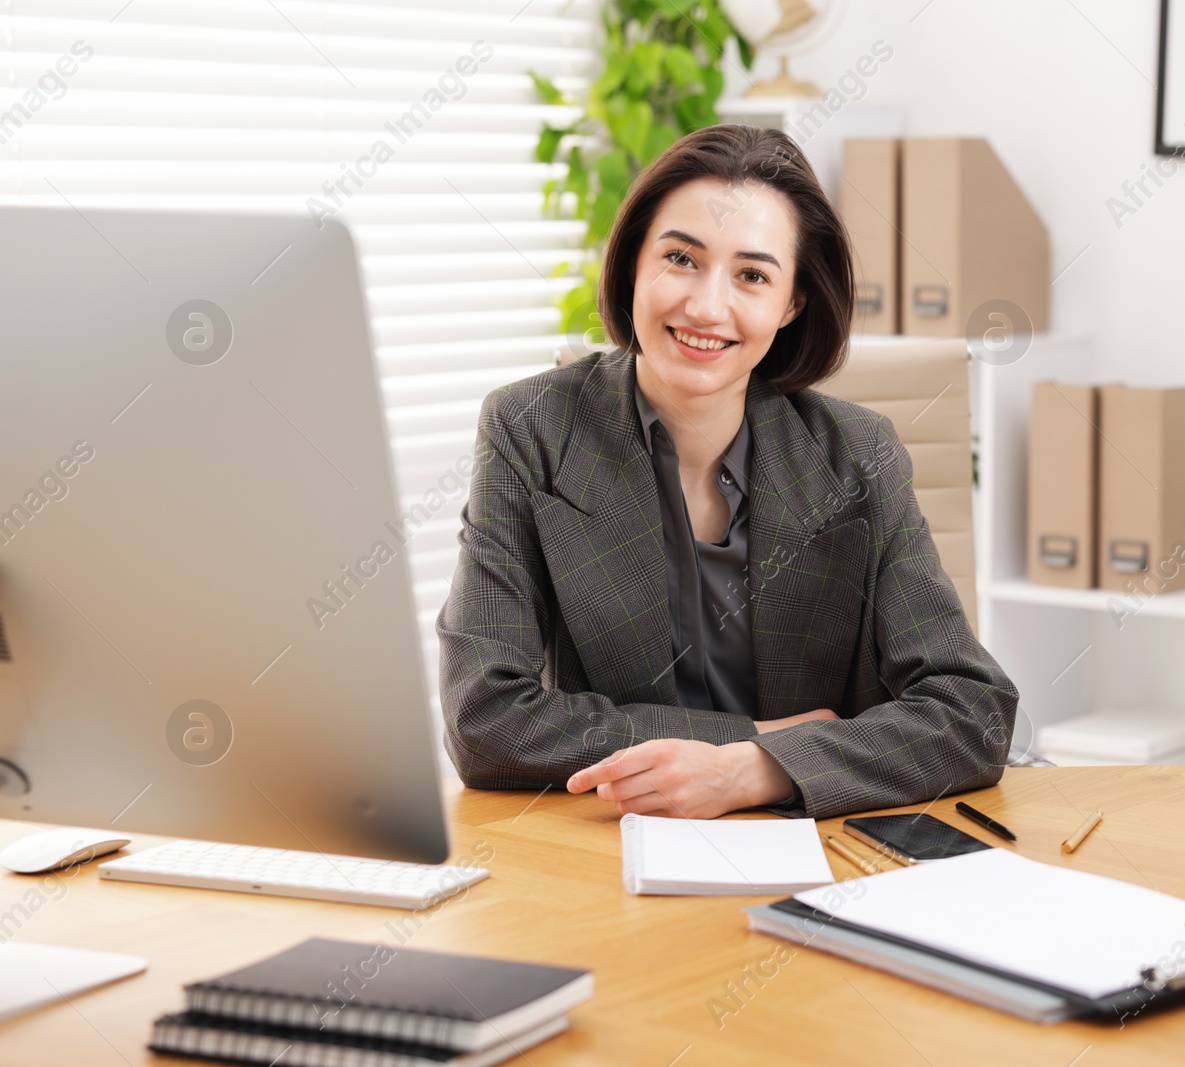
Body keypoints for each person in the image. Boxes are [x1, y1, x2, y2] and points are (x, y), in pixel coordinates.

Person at [436, 124, 1019, 820]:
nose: (707, 306)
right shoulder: (530, 429)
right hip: (609, 845)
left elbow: (973, 711)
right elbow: (485, 717)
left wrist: (761, 772)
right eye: (681, 258)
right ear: (633, 265)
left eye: (752, 275)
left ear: (792, 303)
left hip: (824, 841)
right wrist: (748, 740)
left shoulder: (861, 454)